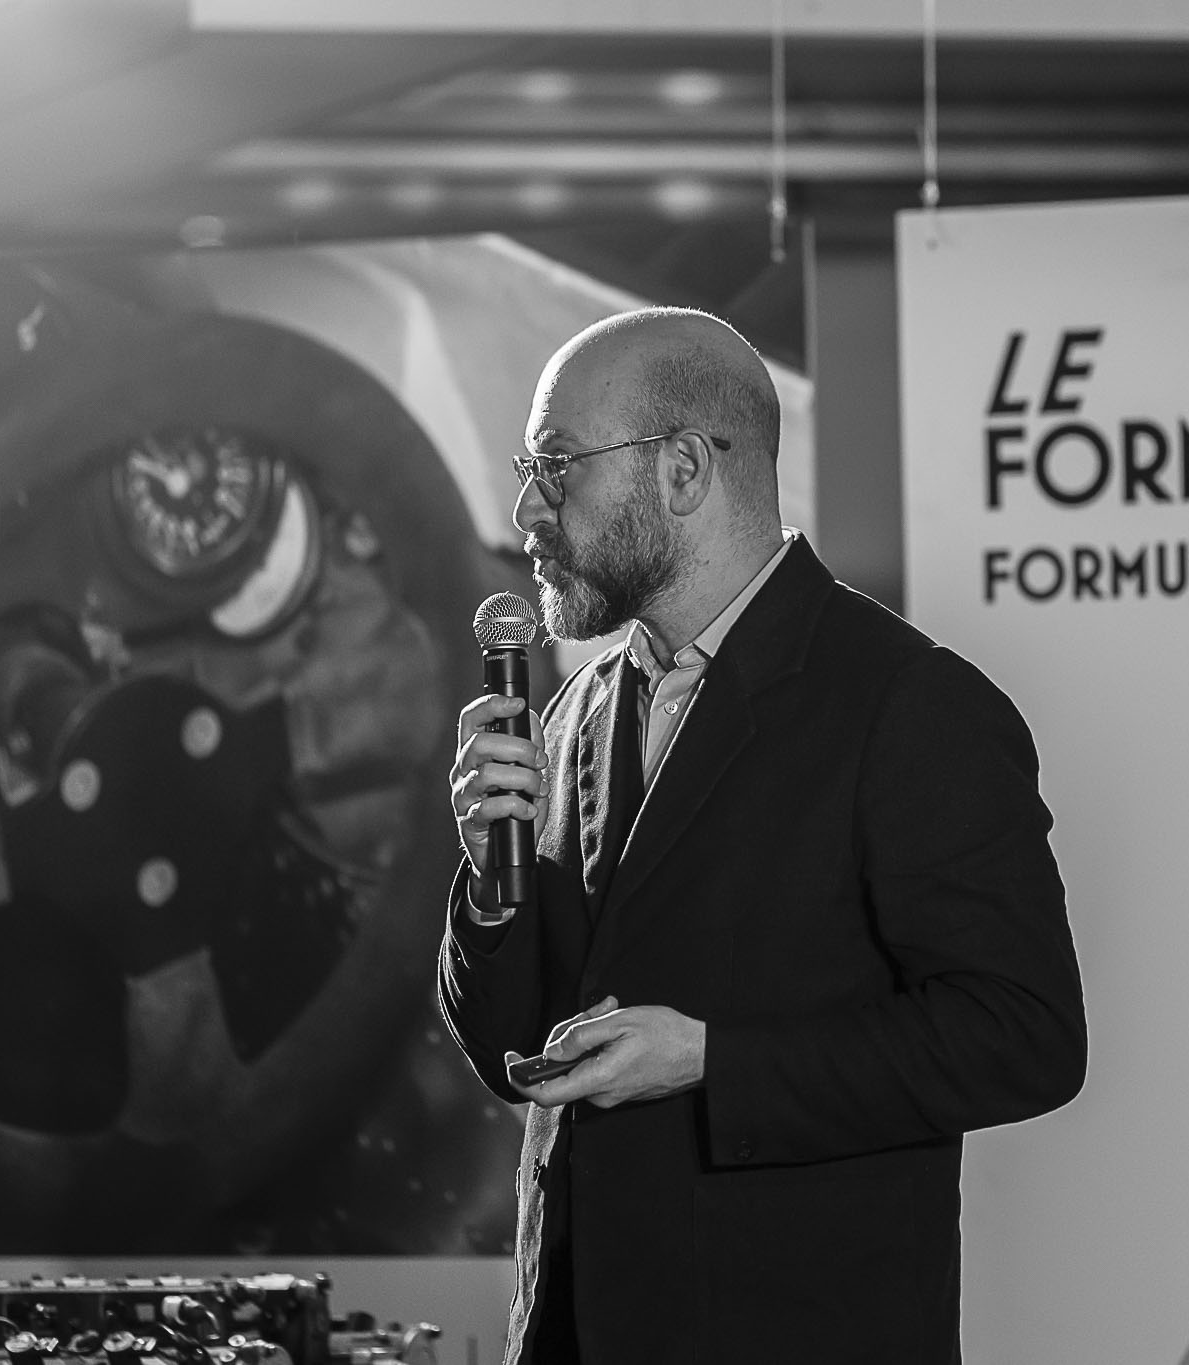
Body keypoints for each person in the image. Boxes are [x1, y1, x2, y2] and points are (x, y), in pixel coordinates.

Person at [438, 307, 1086, 1364]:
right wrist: (487, 883)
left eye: (555, 466)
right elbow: (514, 1048)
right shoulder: (569, 713)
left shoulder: (908, 704)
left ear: (684, 469)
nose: (525, 508)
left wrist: (712, 1063)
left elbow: (1023, 1035)